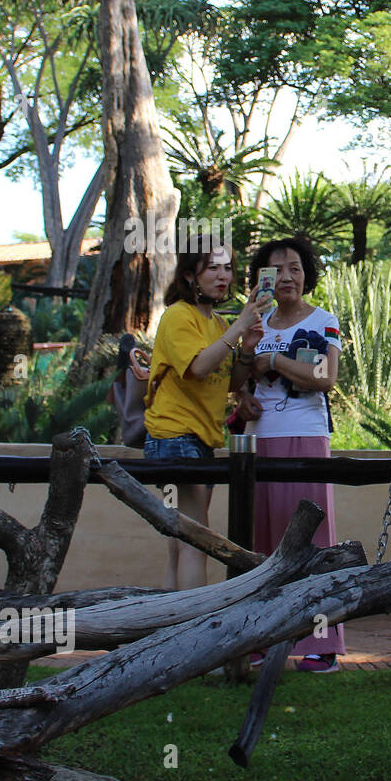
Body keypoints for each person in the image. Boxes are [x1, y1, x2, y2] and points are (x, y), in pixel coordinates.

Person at [242, 236, 344, 673]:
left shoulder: (324, 321)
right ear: (263, 277)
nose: (287, 276)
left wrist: (275, 361)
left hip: (306, 436)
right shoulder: (255, 321)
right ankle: (262, 639)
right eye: (276, 269)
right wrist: (245, 375)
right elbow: (239, 379)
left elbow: (325, 375)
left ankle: (323, 644)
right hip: (259, 439)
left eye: (296, 268)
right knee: (262, 542)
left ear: (307, 275)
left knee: (313, 540)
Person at [144, 243, 264, 590]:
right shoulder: (178, 315)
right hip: (174, 439)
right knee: (196, 542)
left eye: (227, 268)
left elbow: (229, 383)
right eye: (212, 268)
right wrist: (238, 326)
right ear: (188, 275)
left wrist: (246, 349)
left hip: (201, 440)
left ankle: (166, 627)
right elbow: (197, 368)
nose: (223, 276)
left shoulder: (219, 323)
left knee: (181, 542)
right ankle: (193, 627)